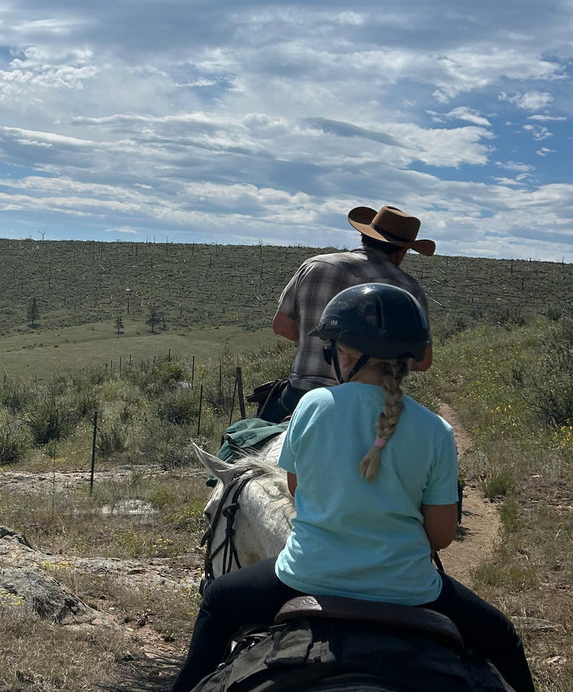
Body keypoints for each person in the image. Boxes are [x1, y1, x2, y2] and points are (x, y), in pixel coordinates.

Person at [171, 283, 534, 692]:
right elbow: (441, 536)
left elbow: (296, 489)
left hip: (306, 577)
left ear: (342, 355)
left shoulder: (313, 405)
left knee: (218, 601)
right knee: (503, 636)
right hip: (412, 589)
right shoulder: (437, 431)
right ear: (409, 359)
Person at [257, 205, 435, 423]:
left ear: (364, 237)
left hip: (301, 394)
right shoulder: (409, 288)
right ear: (401, 252)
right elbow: (423, 361)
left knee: (246, 436)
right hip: (370, 402)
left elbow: (281, 326)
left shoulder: (315, 265)